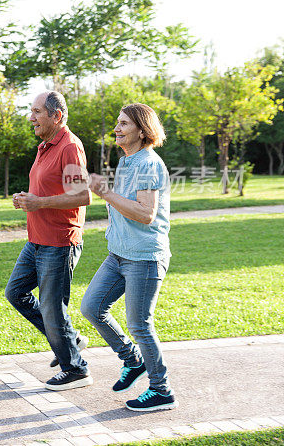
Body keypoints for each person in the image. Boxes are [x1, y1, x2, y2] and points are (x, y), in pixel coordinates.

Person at [81, 103, 178, 412]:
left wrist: (106, 193)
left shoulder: (149, 163)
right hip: (119, 255)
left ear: (141, 129)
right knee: (92, 307)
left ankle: (161, 391)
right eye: (117, 122)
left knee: (140, 325)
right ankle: (132, 359)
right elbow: (123, 207)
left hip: (145, 258)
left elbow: (146, 214)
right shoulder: (126, 161)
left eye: (124, 123)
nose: (117, 128)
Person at [6, 91, 92, 391]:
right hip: (37, 240)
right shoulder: (45, 146)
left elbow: (83, 195)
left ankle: (76, 369)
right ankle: (72, 340)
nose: (32, 117)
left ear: (57, 115)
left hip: (59, 241)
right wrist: (27, 200)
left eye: (37, 112)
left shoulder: (69, 146)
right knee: (16, 292)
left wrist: (39, 203)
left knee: (52, 307)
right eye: (32, 111)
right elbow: (45, 189)